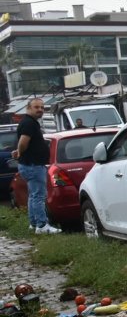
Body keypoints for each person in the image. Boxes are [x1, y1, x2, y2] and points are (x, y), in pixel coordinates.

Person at [12, 98, 60, 234]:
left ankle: (33, 223)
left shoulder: (28, 122)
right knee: (39, 196)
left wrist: (20, 153)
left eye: (42, 107)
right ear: (28, 108)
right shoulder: (29, 123)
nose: (40, 110)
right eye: (36, 107)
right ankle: (42, 225)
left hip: (29, 165)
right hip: (33, 165)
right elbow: (23, 142)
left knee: (33, 195)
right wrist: (20, 152)